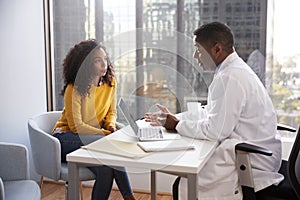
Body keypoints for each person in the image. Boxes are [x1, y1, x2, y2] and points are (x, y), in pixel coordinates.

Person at [145, 22, 283, 199]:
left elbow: (216, 130)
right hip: (259, 151)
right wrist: (175, 119)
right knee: (188, 173)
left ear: (217, 49)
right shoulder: (232, 70)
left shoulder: (230, 77)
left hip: (253, 160)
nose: (195, 56)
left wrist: (178, 125)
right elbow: (212, 112)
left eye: (198, 50)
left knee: (187, 182)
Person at [52, 39, 136, 200]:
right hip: (65, 139)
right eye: (97, 61)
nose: (104, 64)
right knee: (112, 146)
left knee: (105, 168)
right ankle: (129, 197)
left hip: (93, 139)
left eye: (105, 59)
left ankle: (128, 197)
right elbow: (76, 127)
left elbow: (111, 112)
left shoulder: (110, 83)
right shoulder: (74, 88)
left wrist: (110, 125)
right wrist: (105, 134)